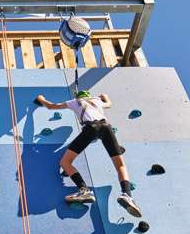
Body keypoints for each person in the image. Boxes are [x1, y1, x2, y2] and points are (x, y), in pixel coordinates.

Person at [35, 90, 142, 218]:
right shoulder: (97, 100)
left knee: (65, 162)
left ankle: (83, 190)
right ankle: (127, 195)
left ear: (78, 96)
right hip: (106, 128)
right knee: (120, 166)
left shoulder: (74, 102)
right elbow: (109, 103)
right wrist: (105, 96)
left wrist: (41, 99)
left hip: (90, 129)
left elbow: (51, 106)